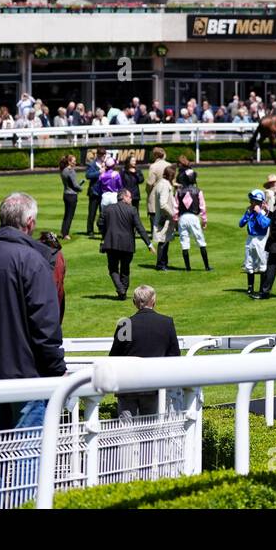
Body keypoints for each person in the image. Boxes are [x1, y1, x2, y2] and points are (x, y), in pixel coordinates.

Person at [0, 193, 67, 435]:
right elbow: (45, 327)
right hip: (27, 377)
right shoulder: (33, 260)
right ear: (29, 222)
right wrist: (57, 369)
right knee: (27, 459)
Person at [109, 285, 181, 420]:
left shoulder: (126, 324)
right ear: (153, 301)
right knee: (150, 431)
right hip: (153, 384)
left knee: (126, 432)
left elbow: (114, 356)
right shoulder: (166, 323)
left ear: (134, 302)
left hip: (127, 385)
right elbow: (174, 355)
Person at [101, 189, 153, 299]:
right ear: (124, 197)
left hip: (112, 243)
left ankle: (121, 290)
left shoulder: (108, 209)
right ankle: (122, 290)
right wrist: (149, 244)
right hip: (127, 244)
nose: (131, 199)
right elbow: (140, 227)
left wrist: (105, 233)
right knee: (125, 269)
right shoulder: (132, 210)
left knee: (113, 269)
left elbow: (100, 223)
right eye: (129, 197)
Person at [174, 168, 212, 272]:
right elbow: (203, 207)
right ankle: (207, 266)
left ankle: (187, 267)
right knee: (201, 241)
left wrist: (175, 220)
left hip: (182, 218)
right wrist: (204, 221)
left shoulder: (178, 192)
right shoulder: (198, 191)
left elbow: (175, 207)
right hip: (194, 217)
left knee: (184, 242)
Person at [239, 189, 271, 296]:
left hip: (261, 240)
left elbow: (265, 224)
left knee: (262, 265)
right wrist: (247, 214)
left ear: (258, 202)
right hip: (250, 239)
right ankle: (250, 288)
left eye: (252, 201)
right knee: (249, 263)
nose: (250, 203)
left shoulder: (264, 212)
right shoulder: (249, 211)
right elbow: (241, 224)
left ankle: (262, 288)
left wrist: (258, 213)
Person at [151, 164, 178, 272]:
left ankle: (163, 263)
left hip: (162, 216)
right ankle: (161, 264)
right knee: (163, 241)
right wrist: (173, 214)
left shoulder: (161, 183)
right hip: (164, 217)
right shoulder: (165, 185)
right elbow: (163, 204)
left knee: (164, 241)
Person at [145, 147, 170, 233]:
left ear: (155, 155)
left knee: (154, 215)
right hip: (167, 193)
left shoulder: (153, 166)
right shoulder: (169, 165)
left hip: (155, 193)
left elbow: (150, 183)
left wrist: (147, 191)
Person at [59, 154, 82, 240]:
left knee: (66, 215)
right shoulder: (71, 171)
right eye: (74, 161)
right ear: (69, 162)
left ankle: (63, 231)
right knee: (70, 216)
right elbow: (75, 185)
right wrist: (80, 188)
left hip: (66, 194)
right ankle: (65, 234)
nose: (75, 163)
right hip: (72, 195)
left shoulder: (63, 170)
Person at [84, 147, 105, 237]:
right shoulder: (92, 164)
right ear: (98, 155)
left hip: (103, 191)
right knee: (92, 212)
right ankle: (90, 230)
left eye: (105, 155)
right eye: (102, 155)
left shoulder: (106, 164)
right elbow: (88, 175)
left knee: (102, 212)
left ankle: (101, 228)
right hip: (94, 191)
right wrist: (99, 172)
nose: (104, 157)